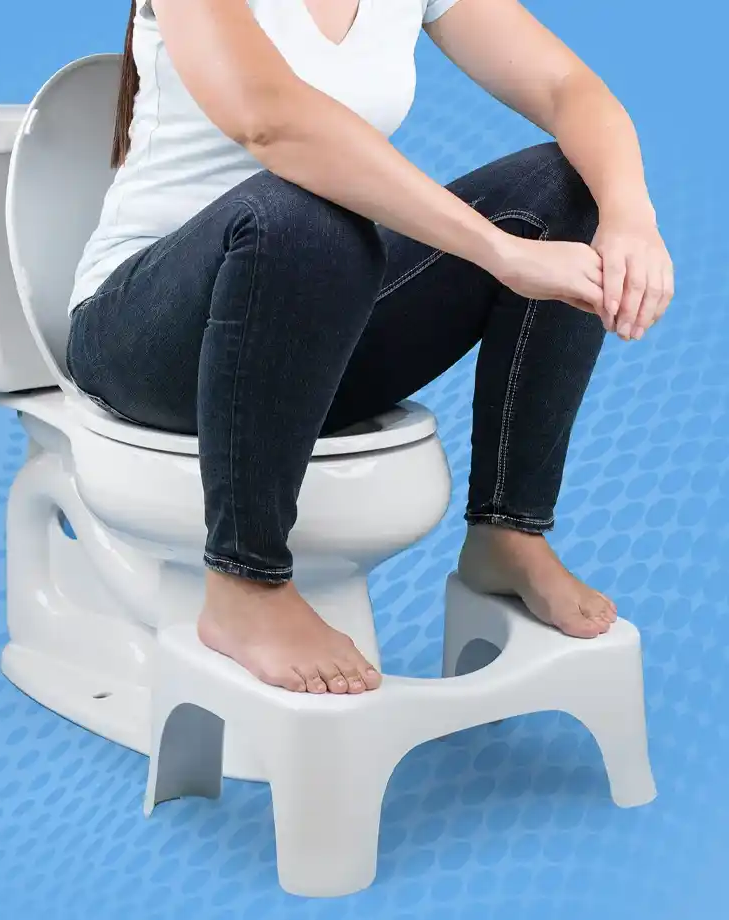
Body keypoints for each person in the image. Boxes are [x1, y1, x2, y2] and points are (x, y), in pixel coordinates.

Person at [66, 0, 674, 695]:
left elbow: (569, 87)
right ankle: (244, 582)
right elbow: (271, 120)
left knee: (570, 186)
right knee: (306, 211)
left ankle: (508, 536)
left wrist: (630, 214)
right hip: (146, 334)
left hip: (304, 312)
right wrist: (498, 253)